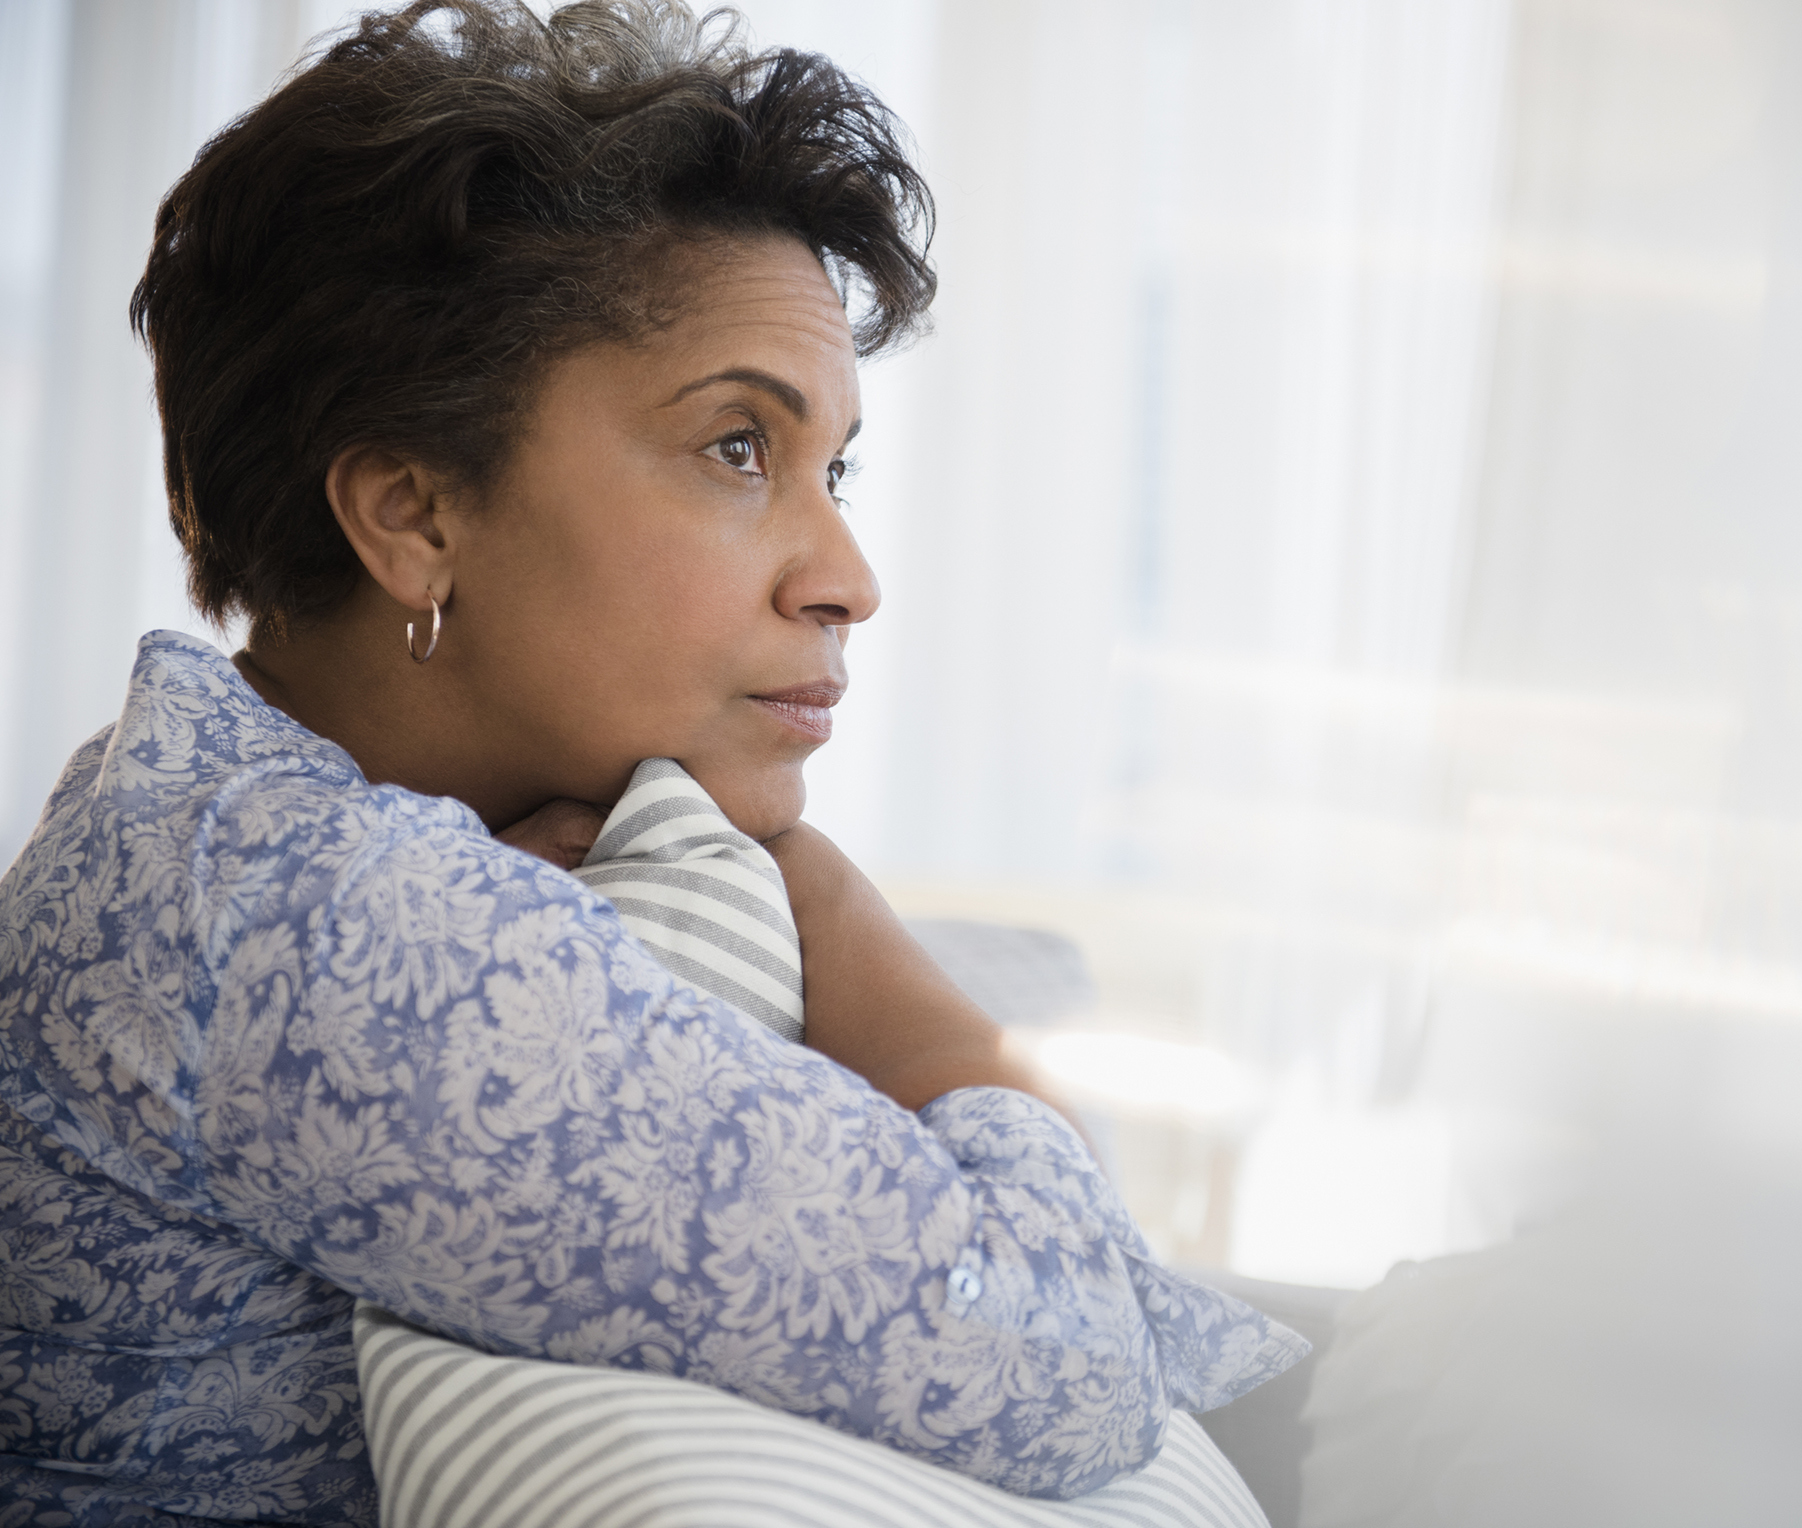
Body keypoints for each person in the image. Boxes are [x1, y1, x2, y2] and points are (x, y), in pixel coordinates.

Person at [0, 2, 1300, 1523]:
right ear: (413, 514)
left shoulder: (206, 811)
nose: (848, 576)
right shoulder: (323, 922)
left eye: (835, 465)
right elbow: (1067, 1352)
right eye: (737, 448)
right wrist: (817, 894)